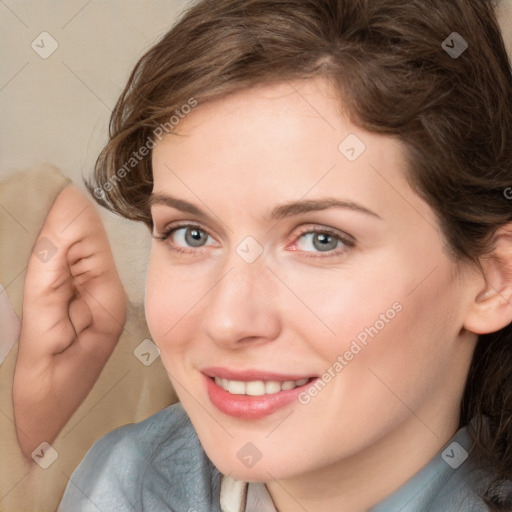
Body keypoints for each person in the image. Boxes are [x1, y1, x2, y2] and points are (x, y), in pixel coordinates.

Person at [26, 0, 511, 510]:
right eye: (190, 234)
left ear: (492, 279)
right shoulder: (122, 481)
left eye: (321, 240)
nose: (228, 320)